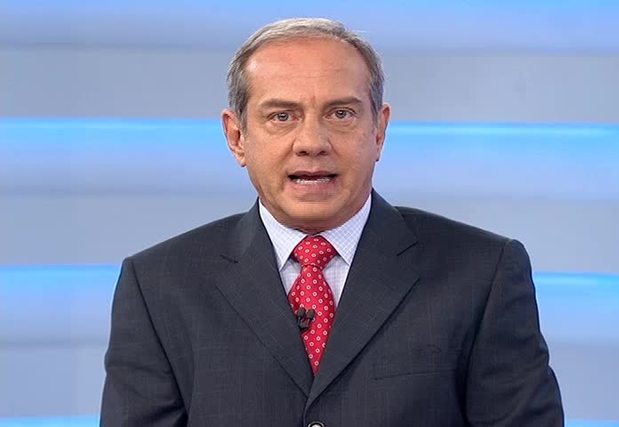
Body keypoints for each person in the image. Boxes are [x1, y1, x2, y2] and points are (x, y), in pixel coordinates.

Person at [101, 17, 563, 426]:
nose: (312, 142)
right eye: (282, 116)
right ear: (237, 136)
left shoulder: (482, 272)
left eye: (340, 114)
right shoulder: (159, 286)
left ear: (378, 130)